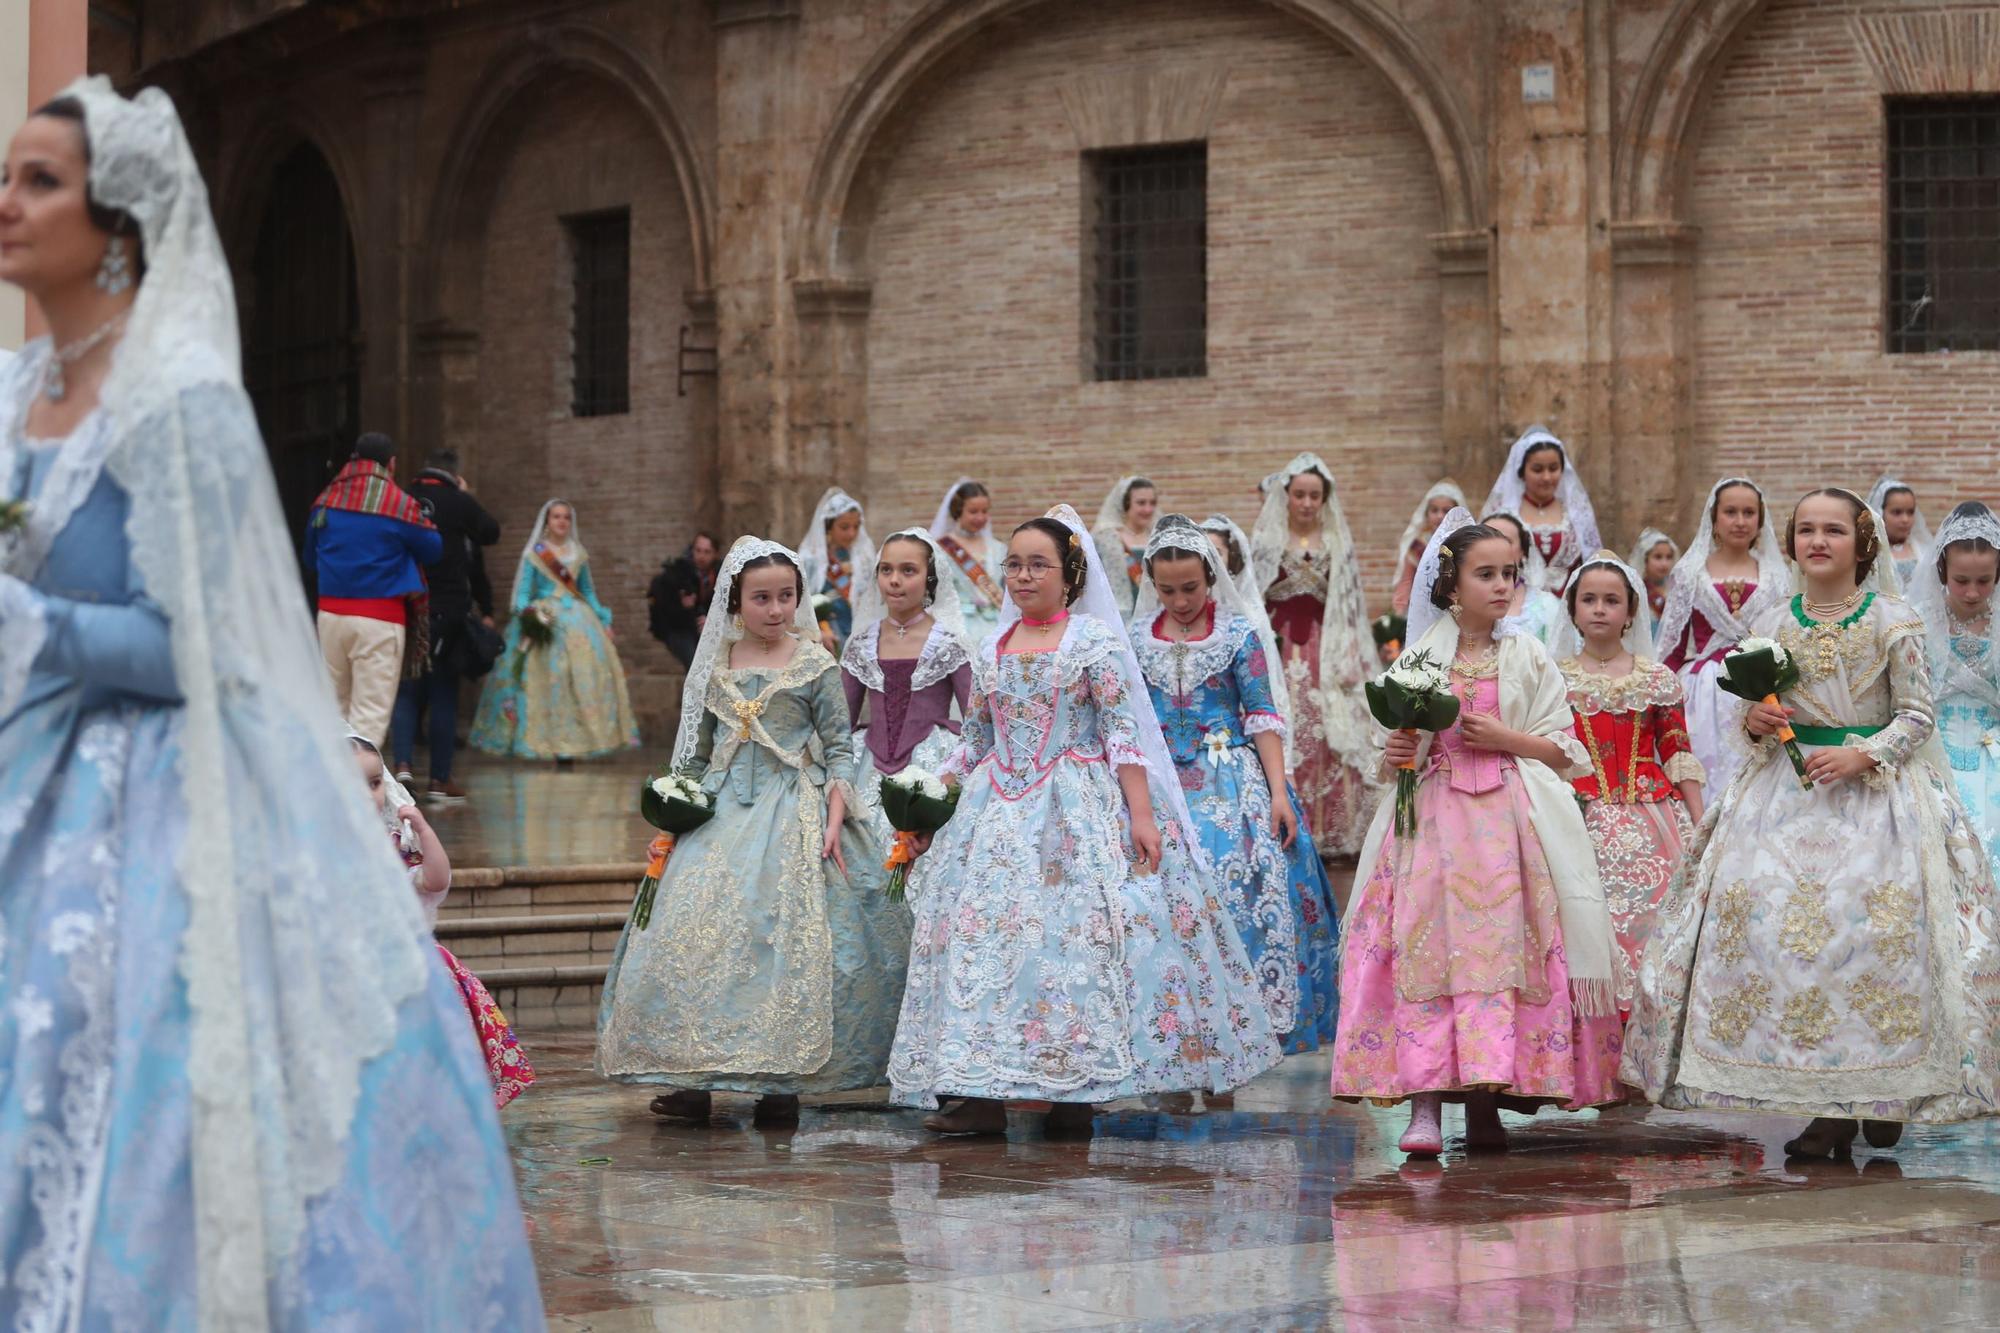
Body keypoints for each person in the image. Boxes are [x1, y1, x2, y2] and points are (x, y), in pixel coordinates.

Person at [0, 78, 541, 1326]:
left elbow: (208, 641)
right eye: (12, 175)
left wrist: (34, 627)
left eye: (42, 181)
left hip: (157, 795)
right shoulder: (21, 383)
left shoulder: (178, 394)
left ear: (122, 221)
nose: (12, 203)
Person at [1623, 489, 2000, 1157]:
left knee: (1873, 939)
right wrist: (1755, 720)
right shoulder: (1774, 620)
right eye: (1804, 529)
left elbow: (1916, 714)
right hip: (1784, 798)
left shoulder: (1894, 620)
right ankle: (1826, 1107)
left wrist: (1864, 752)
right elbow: (1755, 712)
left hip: (1878, 802)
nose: (1817, 540)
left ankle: (1886, 1093)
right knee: (1792, 943)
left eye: (1833, 529)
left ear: (1863, 544)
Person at [888, 506, 1282, 1136]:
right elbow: (978, 740)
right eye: (1013, 565)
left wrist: (1143, 817)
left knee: (1074, 940)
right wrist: (931, 793)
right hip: (998, 812)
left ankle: (1074, 1093)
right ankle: (980, 1091)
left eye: (1037, 564)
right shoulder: (992, 643)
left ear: (1069, 575)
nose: (1022, 576)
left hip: (1075, 809)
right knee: (985, 937)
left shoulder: (1093, 642)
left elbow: (1125, 736)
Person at [1331, 511, 1624, 1157]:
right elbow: (1394, 758)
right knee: (1426, 948)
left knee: (1499, 956)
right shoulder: (1419, 659)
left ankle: (1489, 1103)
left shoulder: (1527, 654)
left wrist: (1505, 738)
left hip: (1507, 824)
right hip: (1433, 820)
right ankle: (1426, 1102)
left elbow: (1563, 745)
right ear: (1450, 586)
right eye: (1484, 574)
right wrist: (1401, 749)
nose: (1500, 586)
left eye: (1508, 575)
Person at [598, 537, 873, 1126]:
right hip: (720, 813)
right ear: (735, 602)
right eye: (761, 599)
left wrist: (836, 807)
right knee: (697, 930)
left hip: (790, 810)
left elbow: (840, 747)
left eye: (785, 598)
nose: (774, 610)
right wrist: (674, 820)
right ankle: (691, 1074)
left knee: (780, 937)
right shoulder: (716, 664)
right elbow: (696, 756)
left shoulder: (815, 662)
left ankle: (780, 1083)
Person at [1133, 517, 1342, 1054]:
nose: (1180, 600)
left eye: (1191, 588)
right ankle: (1175, 1037)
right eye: (1168, 589)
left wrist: (1277, 793)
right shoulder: (1133, 641)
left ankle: (1235, 1038)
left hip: (1230, 781)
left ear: (1211, 577)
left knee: (1235, 894)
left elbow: (1263, 715)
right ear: (1150, 583)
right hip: (1160, 786)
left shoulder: (1238, 633)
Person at [349, 732, 534, 1108]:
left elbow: (434, 880)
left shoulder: (395, 843)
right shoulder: (313, 852)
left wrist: (426, 833)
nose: (368, 795)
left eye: (374, 783)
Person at [1554, 551, 1705, 1010]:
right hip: (1578, 818)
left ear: (1630, 612)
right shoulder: (1554, 678)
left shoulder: (1657, 679)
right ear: (1574, 611)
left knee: (1656, 923)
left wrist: (1702, 826)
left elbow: (1678, 751)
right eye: (1589, 600)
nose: (1600, 608)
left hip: (1654, 821)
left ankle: (1647, 1028)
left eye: (1611, 600)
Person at [836, 526, 970, 997]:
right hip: (869, 768)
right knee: (868, 881)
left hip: (929, 767)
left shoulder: (948, 642)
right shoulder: (860, 643)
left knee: (926, 881)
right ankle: (876, 997)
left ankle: (925, 993)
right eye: (887, 570)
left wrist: (953, 781)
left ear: (929, 579)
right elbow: (841, 721)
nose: (895, 580)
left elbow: (975, 721)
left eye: (908, 570)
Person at [1251, 454, 1377, 857]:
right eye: (1299, 495)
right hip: (1278, 644)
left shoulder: (1337, 540)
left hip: (1325, 644)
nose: (1306, 503)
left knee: (1327, 729)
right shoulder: (1266, 542)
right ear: (1286, 497)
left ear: (1324, 499)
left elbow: (1350, 600)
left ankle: (1326, 830)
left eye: (1314, 496)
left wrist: (1352, 648)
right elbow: (1252, 597)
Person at [469, 498, 639, 761]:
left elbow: (588, 592)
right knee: (548, 680)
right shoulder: (536, 553)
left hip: (580, 623)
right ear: (546, 521)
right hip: (546, 621)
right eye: (556, 517)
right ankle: (542, 740)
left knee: (579, 680)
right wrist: (529, 616)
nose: (561, 521)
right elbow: (524, 592)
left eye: (566, 517)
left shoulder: (578, 553)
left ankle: (573, 745)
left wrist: (603, 621)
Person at [304, 429, 441, 746]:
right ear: (390, 464)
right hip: (379, 619)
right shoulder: (398, 504)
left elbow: (310, 558)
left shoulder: (325, 501)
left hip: (330, 618)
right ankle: (360, 793)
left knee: (331, 712)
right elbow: (433, 548)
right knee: (368, 717)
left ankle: (330, 788)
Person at [1658, 477, 1790, 797]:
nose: (1740, 521)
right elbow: (1674, 642)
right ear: (1715, 518)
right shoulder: (1690, 573)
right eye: (1731, 512)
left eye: (1749, 512)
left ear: (1760, 520)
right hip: (1702, 690)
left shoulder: (1777, 575)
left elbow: (1784, 637)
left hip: (1757, 693)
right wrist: (1662, 694)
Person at [391, 447, 500, 802]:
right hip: (446, 611)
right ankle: (439, 780)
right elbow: (490, 532)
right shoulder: (457, 501)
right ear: (453, 474)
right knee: (442, 692)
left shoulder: (402, 498)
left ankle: (403, 766)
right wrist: (465, 500)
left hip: (407, 606)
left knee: (406, 690)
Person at [1908, 502, 2000, 884]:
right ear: (1942, 570)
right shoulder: (1917, 619)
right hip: (1932, 755)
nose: (1973, 592)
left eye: (1985, 580)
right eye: (1962, 580)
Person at [1483, 425, 1602, 594]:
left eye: (1553, 469)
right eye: (1537, 470)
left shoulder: (1576, 514)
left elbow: (1592, 563)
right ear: (1522, 472)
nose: (1546, 477)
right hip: (1516, 605)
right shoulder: (1504, 515)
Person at [928, 477, 1005, 642]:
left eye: (985, 511)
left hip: (997, 625)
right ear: (958, 511)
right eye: (973, 511)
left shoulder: (998, 548)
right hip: (958, 628)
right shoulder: (942, 548)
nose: (980, 517)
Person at [798, 486, 874, 653]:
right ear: (828, 526)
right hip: (828, 628)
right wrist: (820, 630)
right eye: (844, 527)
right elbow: (803, 601)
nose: (851, 533)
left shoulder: (862, 558)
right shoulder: (811, 559)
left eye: (856, 526)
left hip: (860, 626)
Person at [1482, 511, 1567, 647]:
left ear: (1522, 551)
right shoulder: (1463, 602)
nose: (1495, 547)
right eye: (1486, 539)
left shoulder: (1547, 606)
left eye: (1506, 540)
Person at [1391, 480, 1467, 616]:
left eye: (1446, 511)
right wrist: (1398, 612)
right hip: (1423, 611)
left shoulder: (1466, 544)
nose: (1440, 516)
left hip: (1459, 610)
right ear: (1426, 514)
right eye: (1434, 510)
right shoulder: (1419, 545)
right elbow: (1407, 581)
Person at [647, 529, 721, 668]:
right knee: (695, 663)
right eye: (698, 550)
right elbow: (663, 610)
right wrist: (684, 607)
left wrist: (711, 620)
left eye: (707, 552)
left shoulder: (721, 574)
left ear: (715, 554)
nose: (701, 556)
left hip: (710, 630)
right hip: (678, 630)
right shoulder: (677, 574)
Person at [1091, 474, 1159, 616]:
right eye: (1141, 503)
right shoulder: (1106, 538)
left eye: (1152, 503)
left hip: (1155, 615)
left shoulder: (1159, 537)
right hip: (1119, 617)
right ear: (1125, 504)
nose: (1148, 509)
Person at [1868, 477, 1932, 590]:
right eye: (1897, 512)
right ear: (1880, 513)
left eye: (1910, 512)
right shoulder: (1868, 554)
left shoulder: (1924, 551)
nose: (1905, 519)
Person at [1629, 527, 1680, 644]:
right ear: (1645, 559)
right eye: (1658, 557)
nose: (1664, 563)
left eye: (1669, 557)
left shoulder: (1676, 590)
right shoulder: (1635, 591)